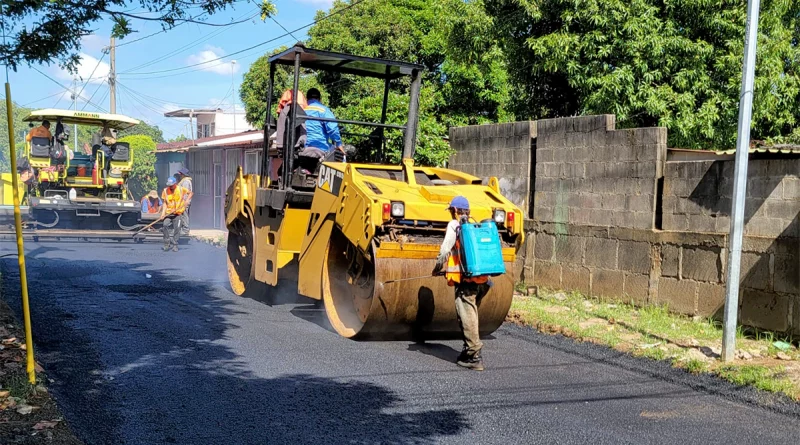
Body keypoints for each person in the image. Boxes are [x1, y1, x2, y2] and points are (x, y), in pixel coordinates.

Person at [432, 196, 491, 371]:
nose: (451, 213)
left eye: (451, 210)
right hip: (484, 281)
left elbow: (444, 250)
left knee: (467, 315)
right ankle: (468, 351)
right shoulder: (476, 226)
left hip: (467, 281)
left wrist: (437, 267)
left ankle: (474, 356)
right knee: (468, 314)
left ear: (455, 210)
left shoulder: (454, 225)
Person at [271, 89, 308, 182]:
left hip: (289, 149)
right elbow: (302, 136)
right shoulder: (299, 112)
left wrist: (280, 148)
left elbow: (280, 133)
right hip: (296, 149)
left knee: (282, 171)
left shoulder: (286, 111)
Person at [302, 88, 344, 159]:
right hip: (322, 148)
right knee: (342, 157)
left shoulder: (302, 111)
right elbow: (333, 128)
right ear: (319, 99)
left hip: (304, 148)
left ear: (307, 99)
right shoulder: (324, 110)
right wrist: (339, 144)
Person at [160, 177, 188, 252]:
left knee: (177, 228)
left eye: (171, 185)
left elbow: (190, 193)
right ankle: (167, 243)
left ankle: (175, 244)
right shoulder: (165, 191)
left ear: (175, 184)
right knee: (165, 225)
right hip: (169, 213)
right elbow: (165, 203)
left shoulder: (181, 189)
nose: (170, 187)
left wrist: (186, 201)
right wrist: (163, 213)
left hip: (178, 213)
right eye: (169, 185)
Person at [174, 168, 193, 235]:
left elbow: (185, 193)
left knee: (185, 216)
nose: (180, 175)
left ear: (183, 175)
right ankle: (182, 229)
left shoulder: (186, 182)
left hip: (184, 202)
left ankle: (185, 230)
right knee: (182, 216)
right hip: (182, 202)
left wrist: (183, 202)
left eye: (181, 174)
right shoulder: (183, 181)